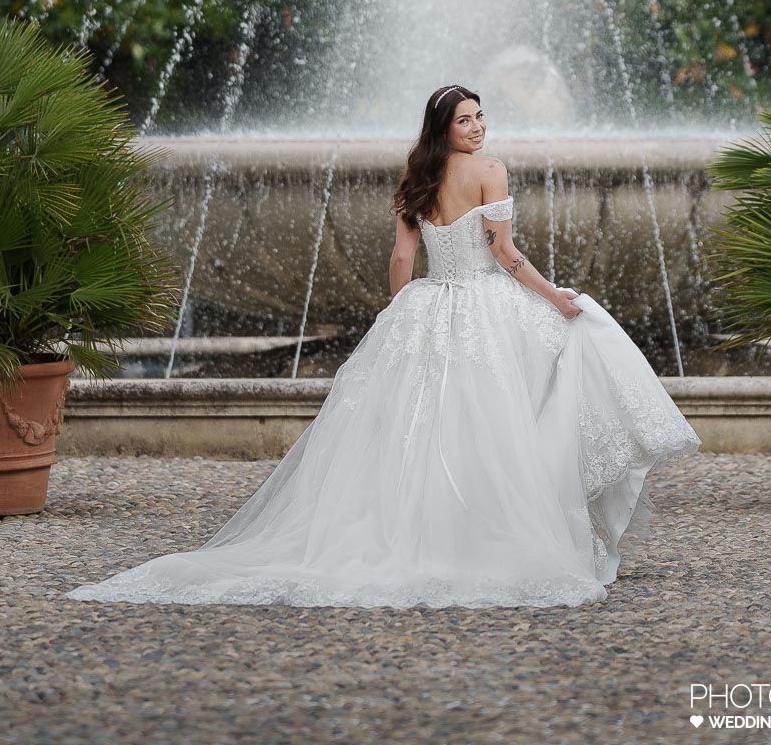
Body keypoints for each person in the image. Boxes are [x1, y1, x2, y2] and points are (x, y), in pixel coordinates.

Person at [67, 84, 700, 609]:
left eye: (481, 118)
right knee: (549, 365)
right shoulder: (490, 171)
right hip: (483, 302)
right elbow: (504, 254)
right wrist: (553, 297)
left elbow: (403, 256)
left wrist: (402, 311)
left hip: (429, 302)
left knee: (426, 426)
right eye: (466, 120)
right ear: (444, 128)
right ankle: (501, 523)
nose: (478, 128)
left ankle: (432, 527)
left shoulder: (417, 177)